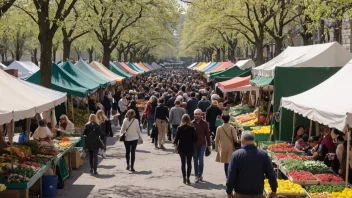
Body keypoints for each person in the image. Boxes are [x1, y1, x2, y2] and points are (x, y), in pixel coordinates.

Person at [226, 131, 277, 198]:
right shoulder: (263, 154)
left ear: (243, 140)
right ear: (253, 140)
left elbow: (231, 175)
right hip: (257, 193)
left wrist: (229, 191)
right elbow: (271, 174)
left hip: (240, 193)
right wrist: (274, 190)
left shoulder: (236, 155)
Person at [173, 114, 197, 185]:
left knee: (183, 163)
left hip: (182, 147)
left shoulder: (179, 128)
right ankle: (188, 178)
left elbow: (176, 139)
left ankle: (184, 178)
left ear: (182, 120)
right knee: (189, 163)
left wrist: (175, 144)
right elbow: (195, 138)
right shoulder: (192, 128)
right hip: (190, 147)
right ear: (189, 120)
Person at [215, 113, 238, 178]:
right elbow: (235, 138)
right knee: (231, 162)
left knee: (226, 163)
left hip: (223, 147)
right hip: (231, 147)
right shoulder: (231, 128)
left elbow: (217, 139)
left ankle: (227, 177)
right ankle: (231, 176)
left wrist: (217, 148)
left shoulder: (219, 128)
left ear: (222, 120)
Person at [192, 109, 211, 183]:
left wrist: (209, 144)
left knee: (201, 159)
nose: (196, 115)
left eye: (198, 114)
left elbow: (207, 135)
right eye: (195, 114)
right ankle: (196, 175)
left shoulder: (205, 123)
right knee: (195, 160)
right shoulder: (191, 123)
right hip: (194, 144)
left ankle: (200, 174)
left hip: (202, 144)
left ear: (201, 115)